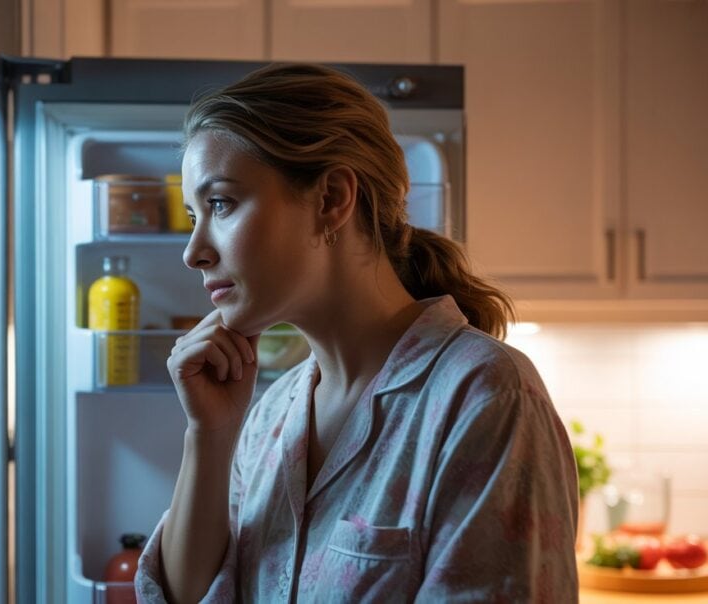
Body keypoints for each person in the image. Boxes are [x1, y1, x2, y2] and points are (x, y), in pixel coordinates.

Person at [134, 63, 579, 603]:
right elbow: (186, 596)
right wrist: (208, 437)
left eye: (221, 204)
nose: (193, 251)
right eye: (193, 214)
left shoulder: (485, 396)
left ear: (331, 199)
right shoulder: (271, 416)